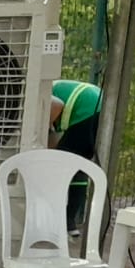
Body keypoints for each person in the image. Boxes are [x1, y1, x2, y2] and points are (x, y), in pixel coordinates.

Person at [50, 79, 102, 232]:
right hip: (100, 107)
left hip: (85, 110)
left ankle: (56, 221)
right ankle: (69, 221)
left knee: (59, 165)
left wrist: (46, 129)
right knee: (79, 166)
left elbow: (56, 105)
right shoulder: (59, 85)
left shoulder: (39, 89)